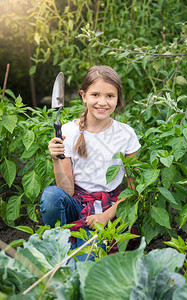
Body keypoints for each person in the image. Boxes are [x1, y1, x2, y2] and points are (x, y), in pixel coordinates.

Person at [40, 65, 141, 261]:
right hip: (77, 205)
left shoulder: (125, 134)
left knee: (88, 263)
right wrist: (55, 159)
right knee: (51, 196)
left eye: (110, 96)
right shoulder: (69, 132)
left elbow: (133, 189)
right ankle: (58, 244)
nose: (102, 102)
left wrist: (106, 216)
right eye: (95, 94)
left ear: (118, 98)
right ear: (83, 96)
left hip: (111, 206)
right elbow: (66, 191)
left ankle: (73, 251)